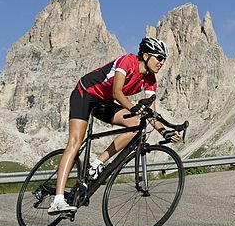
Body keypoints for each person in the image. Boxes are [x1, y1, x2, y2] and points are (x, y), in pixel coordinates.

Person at [48, 37, 181, 215]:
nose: (162, 62)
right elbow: (117, 92)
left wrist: (165, 132)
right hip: (85, 94)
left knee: (135, 124)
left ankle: (97, 163)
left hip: (104, 102)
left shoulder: (150, 80)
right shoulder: (128, 61)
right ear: (145, 55)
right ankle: (57, 200)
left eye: (164, 59)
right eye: (158, 57)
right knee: (75, 142)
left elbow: (152, 114)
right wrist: (133, 107)